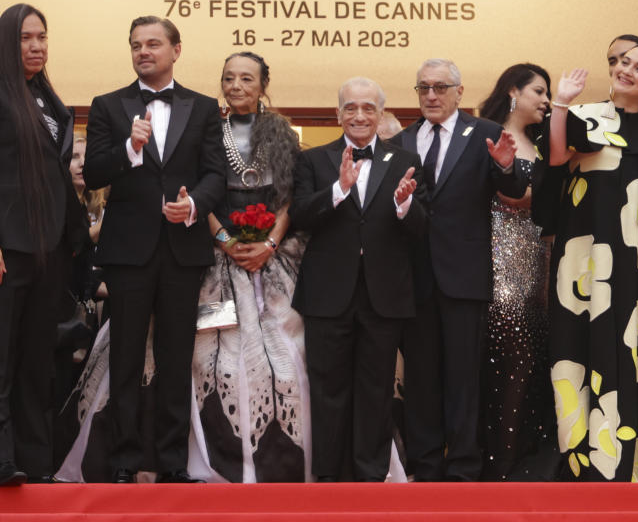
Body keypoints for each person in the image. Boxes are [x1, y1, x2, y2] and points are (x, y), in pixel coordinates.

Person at [82, 16, 225, 483]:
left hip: (183, 249)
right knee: (124, 358)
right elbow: (95, 173)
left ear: (176, 50)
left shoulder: (203, 107)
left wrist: (193, 205)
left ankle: (172, 462)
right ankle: (124, 460)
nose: (144, 52)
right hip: (127, 254)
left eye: (154, 44)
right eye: (136, 45)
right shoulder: (107, 105)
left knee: (175, 356)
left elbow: (215, 175)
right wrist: (128, 148)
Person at [0, 4, 83, 485]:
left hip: (46, 251)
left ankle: (37, 462)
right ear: (7, 40)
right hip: (0, 250)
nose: (36, 46)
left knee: (36, 359)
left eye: (42, 38)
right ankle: (1, 461)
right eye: (26, 37)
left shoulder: (45, 96)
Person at [542, 44, 638, 481]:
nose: (626, 70)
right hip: (587, 259)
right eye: (621, 63)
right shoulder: (585, 115)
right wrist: (561, 102)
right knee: (582, 349)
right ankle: (584, 462)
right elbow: (557, 158)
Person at [390, 58, 525, 481]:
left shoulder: (485, 134)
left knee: (463, 379)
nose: (431, 95)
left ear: (459, 92)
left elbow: (515, 191)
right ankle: (425, 467)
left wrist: (505, 166)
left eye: (440, 87)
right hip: (414, 278)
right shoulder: (402, 140)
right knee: (421, 380)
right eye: (423, 88)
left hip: (464, 277)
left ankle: (464, 468)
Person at [291, 77, 426, 481]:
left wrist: (404, 206)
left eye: (369, 108)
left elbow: (422, 229)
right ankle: (328, 478)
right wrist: (338, 189)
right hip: (327, 295)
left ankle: (370, 478)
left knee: (376, 390)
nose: (360, 115)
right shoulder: (313, 160)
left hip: (384, 295)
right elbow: (299, 216)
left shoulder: (405, 161)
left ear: (380, 114)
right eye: (351, 107)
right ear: (338, 114)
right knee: (327, 390)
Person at [190, 52, 310, 482]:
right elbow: (198, 191)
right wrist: (225, 242)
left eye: (246, 78)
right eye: (228, 78)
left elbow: (292, 196)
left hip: (276, 257)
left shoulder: (281, 131)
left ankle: (285, 464)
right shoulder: (205, 129)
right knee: (212, 359)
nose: (236, 85)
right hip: (218, 259)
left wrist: (269, 243)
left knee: (290, 355)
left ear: (263, 85)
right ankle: (217, 462)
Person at [476, 63, 557, 480]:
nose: (545, 100)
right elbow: (515, 200)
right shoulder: (483, 136)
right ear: (513, 91)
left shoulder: (544, 144)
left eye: (548, 94)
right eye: (539, 91)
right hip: (498, 262)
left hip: (539, 264)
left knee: (535, 363)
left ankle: (526, 467)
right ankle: (497, 468)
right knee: (508, 359)